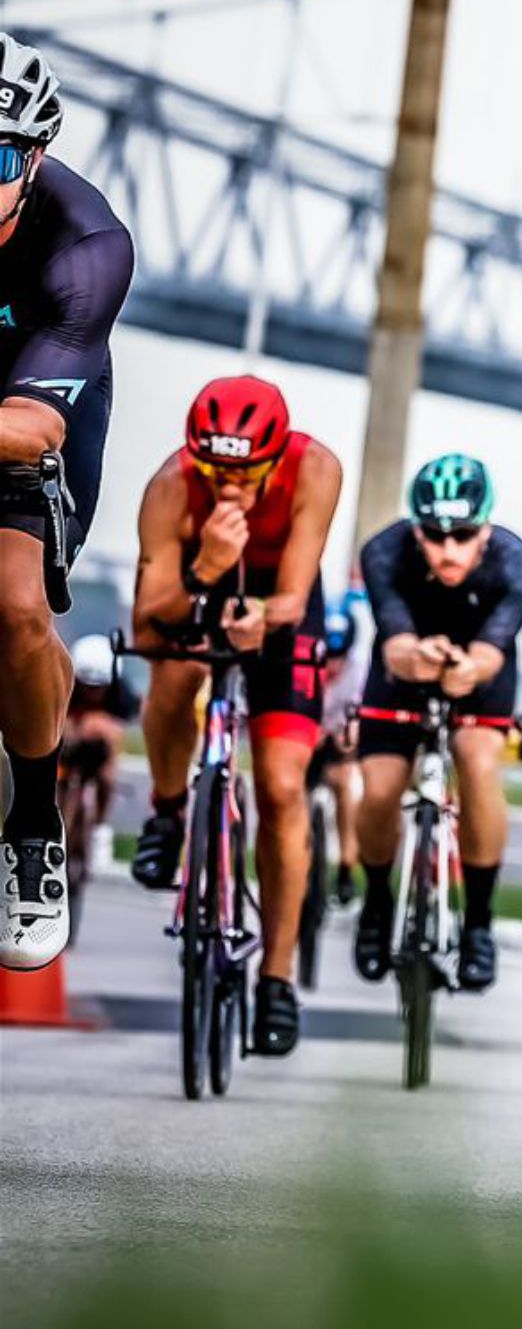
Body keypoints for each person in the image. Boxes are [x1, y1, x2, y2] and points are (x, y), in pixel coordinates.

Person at [129, 374, 343, 1055]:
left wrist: (263, 619)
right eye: (214, 471)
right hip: (200, 583)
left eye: (245, 475)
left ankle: (276, 979)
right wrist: (206, 568)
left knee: (282, 788)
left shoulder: (315, 468)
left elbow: (295, 597)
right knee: (172, 674)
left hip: (280, 604)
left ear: (275, 458)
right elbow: (148, 618)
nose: (227, 488)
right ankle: (169, 811)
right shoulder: (171, 485)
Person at [0, 32, 134, 968]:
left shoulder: (88, 244)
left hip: (28, 414)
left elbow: (30, 428)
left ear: (36, 159)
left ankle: (33, 828)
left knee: (14, 608)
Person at [352, 455, 522, 994]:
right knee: (381, 788)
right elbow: (395, 644)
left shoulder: (518, 562)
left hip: (479, 671)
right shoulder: (383, 552)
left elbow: (492, 652)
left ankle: (479, 924)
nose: (449, 549)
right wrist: (415, 658)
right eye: (435, 536)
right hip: (403, 670)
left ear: (486, 529)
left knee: (478, 764)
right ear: (416, 530)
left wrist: (468, 669)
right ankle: (376, 901)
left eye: (463, 535)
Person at [59, 633, 138, 873]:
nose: (93, 693)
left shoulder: (122, 694)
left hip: (101, 748)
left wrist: (99, 726)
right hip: (70, 742)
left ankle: (99, 827)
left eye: (99, 688)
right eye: (87, 687)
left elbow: (120, 726)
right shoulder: (64, 684)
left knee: (107, 776)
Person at [312, 593, 366, 906]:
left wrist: (349, 734)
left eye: (339, 657)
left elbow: (358, 715)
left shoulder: (358, 671)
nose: (332, 666)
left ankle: (347, 863)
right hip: (305, 734)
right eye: (327, 657)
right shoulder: (306, 659)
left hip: (336, 738)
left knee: (346, 784)